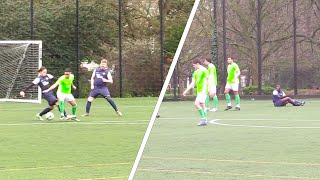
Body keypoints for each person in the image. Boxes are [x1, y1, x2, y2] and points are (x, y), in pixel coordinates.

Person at [183, 57, 208, 126]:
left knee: (196, 103)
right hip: (199, 90)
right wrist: (186, 91)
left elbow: (208, 79)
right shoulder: (195, 72)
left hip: (204, 89)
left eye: (194, 65)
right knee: (202, 104)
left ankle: (203, 119)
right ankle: (205, 119)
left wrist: (210, 89)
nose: (193, 66)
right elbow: (193, 83)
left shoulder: (204, 70)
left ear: (197, 64)